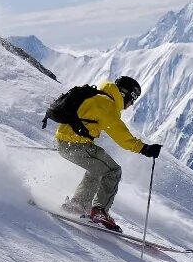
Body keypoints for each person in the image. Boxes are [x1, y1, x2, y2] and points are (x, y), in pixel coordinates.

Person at [54, 75, 161, 232]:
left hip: (65, 143)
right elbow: (122, 137)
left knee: (97, 169)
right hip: (76, 145)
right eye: (132, 100)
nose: (130, 105)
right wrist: (145, 148)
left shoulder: (97, 96)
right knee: (113, 171)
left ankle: (78, 205)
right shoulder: (106, 105)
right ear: (124, 94)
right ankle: (99, 212)